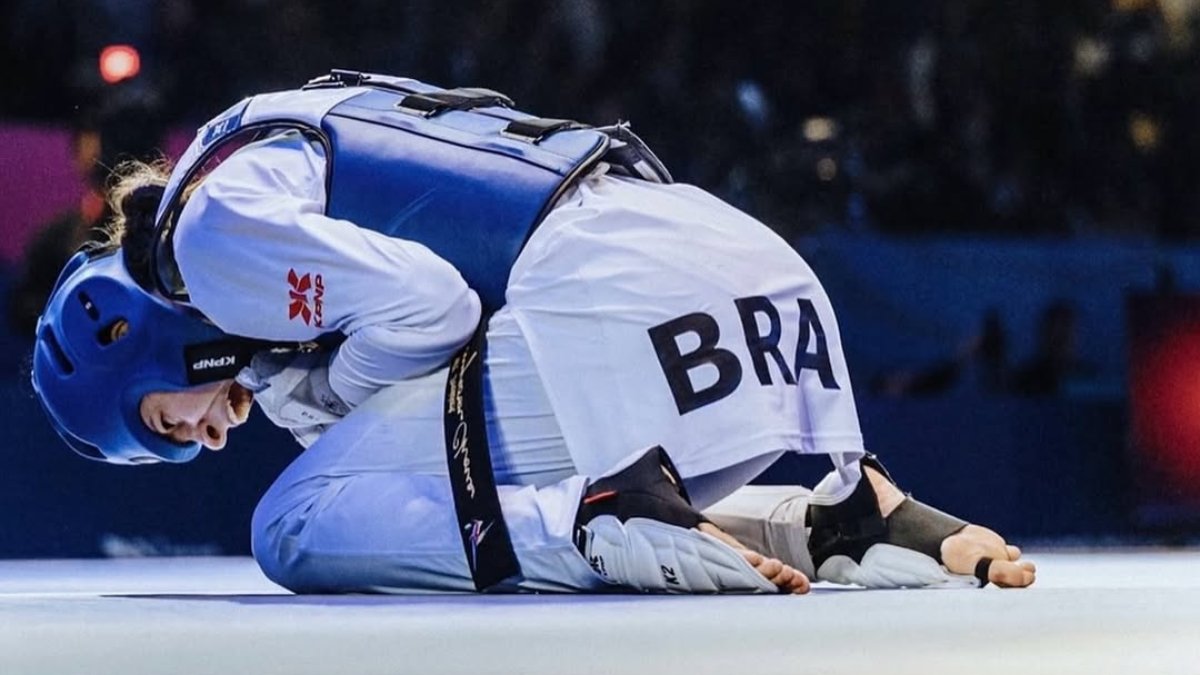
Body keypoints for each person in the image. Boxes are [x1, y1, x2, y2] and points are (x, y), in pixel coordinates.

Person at [33, 71, 1035, 594]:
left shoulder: (209, 241)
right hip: (738, 265)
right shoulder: (254, 141)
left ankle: (613, 517)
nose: (209, 438)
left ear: (140, 337)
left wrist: (336, 395)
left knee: (291, 525)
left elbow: (435, 307)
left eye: (170, 422)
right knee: (355, 458)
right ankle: (831, 511)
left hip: (605, 289)